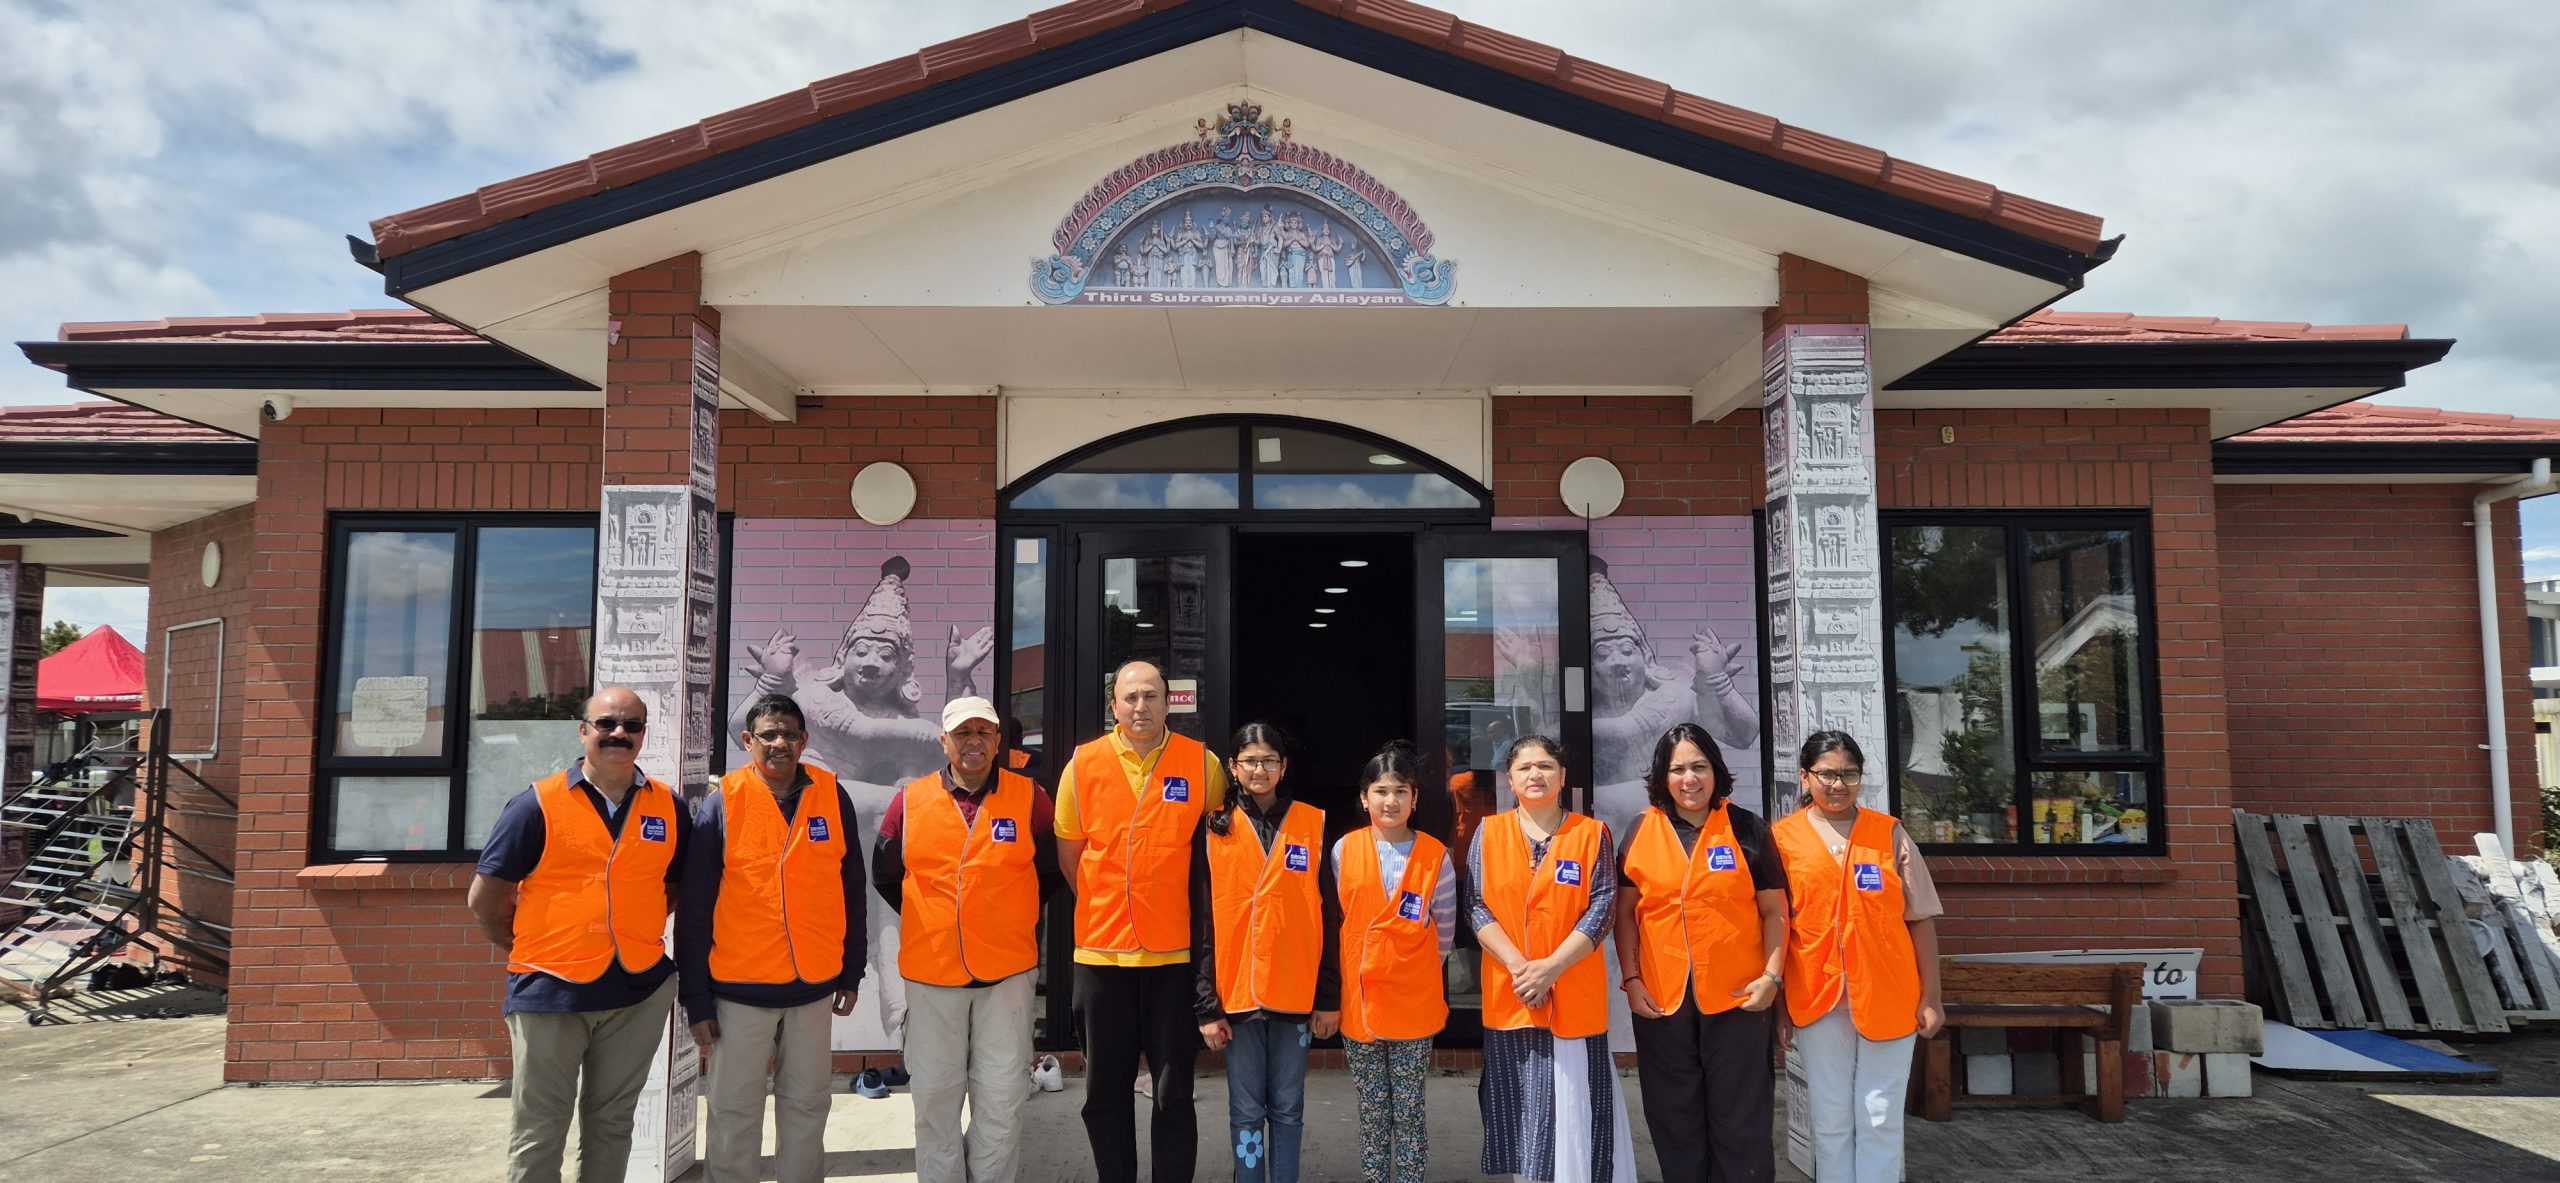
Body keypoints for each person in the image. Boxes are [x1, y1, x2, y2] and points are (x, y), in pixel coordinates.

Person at [467, 687, 688, 1183]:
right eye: (607, 723)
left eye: (632, 725)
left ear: (643, 734)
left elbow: (670, 887)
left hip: (637, 992)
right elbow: (485, 900)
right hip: (550, 990)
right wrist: (533, 945)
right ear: (583, 730)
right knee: (540, 1130)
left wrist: (631, 932)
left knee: (612, 1123)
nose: (619, 734)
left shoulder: (667, 807)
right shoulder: (536, 804)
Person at [677, 692, 867, 1183]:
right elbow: (695, 909)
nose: (779, 743)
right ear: (748, 741)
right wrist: (696, 999)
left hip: (813, 988)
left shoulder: (832, 794)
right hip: (739, 992)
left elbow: (850, 889)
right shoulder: (724, 802)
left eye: (789, 734)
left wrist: (852, 971)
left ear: (804, 740)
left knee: (807, 1108)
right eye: (768, 734)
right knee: (734, 1113)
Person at [873, 696, 1064, 1183]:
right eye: (962, 733)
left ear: (999, 742)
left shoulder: (1030, 797)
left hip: (1008, 979)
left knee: (1001, 1101)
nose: (973, 742)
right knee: (935, 1104)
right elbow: (887, 874)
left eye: (983, 732)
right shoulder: (910, 800)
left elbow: (1050, 872)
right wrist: (936, 920)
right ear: (944, 741)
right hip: (931, 979)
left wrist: (1004, 915)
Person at [1056, 660, 1229, 1183]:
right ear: (1114, 705)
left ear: (1168, 702)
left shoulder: (1203, 765)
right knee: (1105, 1093)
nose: (1141, 707)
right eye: (1130, 697)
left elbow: (1217, 859)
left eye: (1151, 696)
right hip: (1100, 955)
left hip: (1173, 958)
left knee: (1174, 1093)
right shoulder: (1082, 764)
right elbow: (1071, 859)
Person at [1614, 723, 1789, 1183]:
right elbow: (1625, 914)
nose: (1689, 779)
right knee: (1675, 1116)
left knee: (1742, 1118)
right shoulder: (1640, 831)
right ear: (1661, 777)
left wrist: (1771, 978)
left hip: (1739, 996)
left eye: (1699, 767)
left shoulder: (1748, 828)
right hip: (1662, 999)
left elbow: (1775, 911)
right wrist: (1632, 981)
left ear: (1716, 771)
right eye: (1678, 769)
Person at [1771, 731, 1944, 1183]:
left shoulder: (1888, 833)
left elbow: (1920, 919)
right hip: (1816, 994)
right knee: (1830, 1118)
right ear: (1805, 777)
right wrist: (1778, 1003)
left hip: (1890, 992)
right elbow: (1773, 927)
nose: (1837, 784)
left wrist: (1932, 997)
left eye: (1849, 774)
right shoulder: (1781, 839)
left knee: (1881, 1113)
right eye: (1826, 774)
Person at [1468, 735, 1637, 1183]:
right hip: (1513, 991)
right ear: (1510, 779)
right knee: (1523, 1108)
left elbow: (1602, 908)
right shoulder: (1489, 833)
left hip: (1572, 991)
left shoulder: (1589, 834)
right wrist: (1523, 968)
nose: (1535, 775)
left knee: (1574, 1103)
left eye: (1545, 766)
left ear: (1563, 778)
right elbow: (1475, 905)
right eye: (1524, 768)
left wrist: (1552, 968)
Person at [1192, 722, 1336, 1183]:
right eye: (1249, 760)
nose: (1259, 769)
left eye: (1268, 760)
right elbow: (1202, 922)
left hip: (1295, 992)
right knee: (1246, 1110)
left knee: (1289, 1110)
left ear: (1283, 766)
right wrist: (1206, 1006)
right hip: (1235, 995)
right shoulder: (1215, 828)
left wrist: (1328, 996)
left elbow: (1329, 916)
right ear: (1233, 767)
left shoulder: (1312, 823)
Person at [1332, 739, 1455, 1183]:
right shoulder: (1343, 851)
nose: (1391, 800)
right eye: (1381, 790)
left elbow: (1442, 933)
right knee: (1371, 1108)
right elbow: (1338, 925)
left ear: (1415, 798)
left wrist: (1409, 967)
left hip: (1413, 1005)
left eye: (1401, 791)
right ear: (1364, 798)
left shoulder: (1435, 857)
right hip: (1359, 1003)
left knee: (1408, 1108)